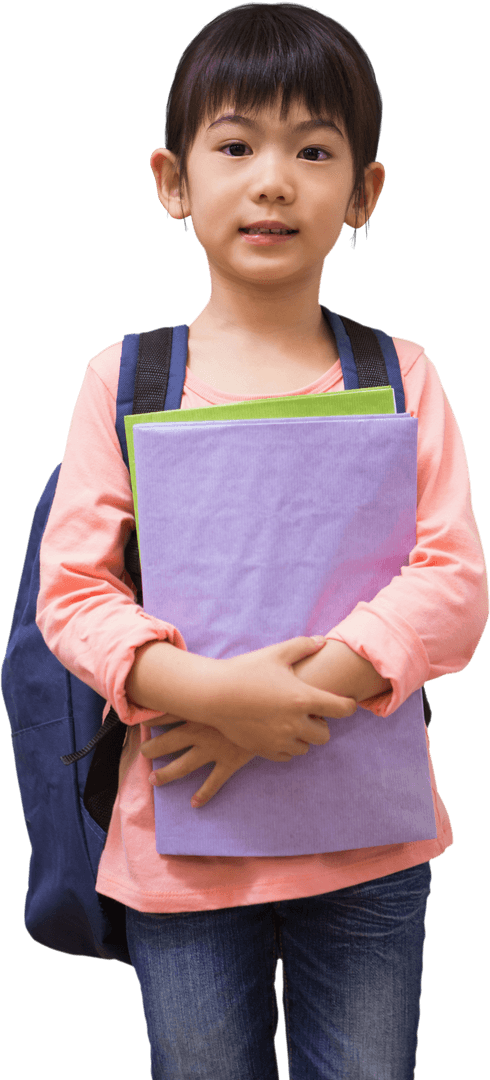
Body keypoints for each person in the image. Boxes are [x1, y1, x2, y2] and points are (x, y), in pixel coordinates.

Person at [35, 4, 488, 1078]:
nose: (273, 178)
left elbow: (454, 585)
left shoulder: (402, 375)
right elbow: (72, 594)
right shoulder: (125, 378)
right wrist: (209, 692)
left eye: (314, 149)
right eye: (235, 145)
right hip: (178, 860)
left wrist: (269, 704)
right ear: (173, 180)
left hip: (370, 856)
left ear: (364, 192)